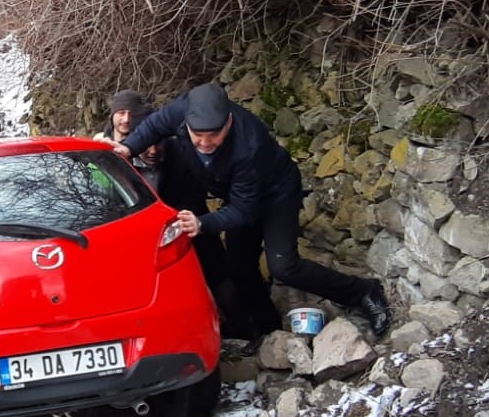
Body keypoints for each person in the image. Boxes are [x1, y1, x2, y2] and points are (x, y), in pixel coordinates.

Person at [114, 82, 391, 340]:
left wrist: (202, 223)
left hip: (275, 195)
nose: (205, 143)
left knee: (284, 266)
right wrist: (128, 147)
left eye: (214, 136)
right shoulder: (184, 109)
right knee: (239, 266)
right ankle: (268, 331)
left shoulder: (250, 146)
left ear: (229, 123)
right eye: (197, 135)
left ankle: (363, 291)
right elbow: (154, 125)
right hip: (235, 195)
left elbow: (244, 210)